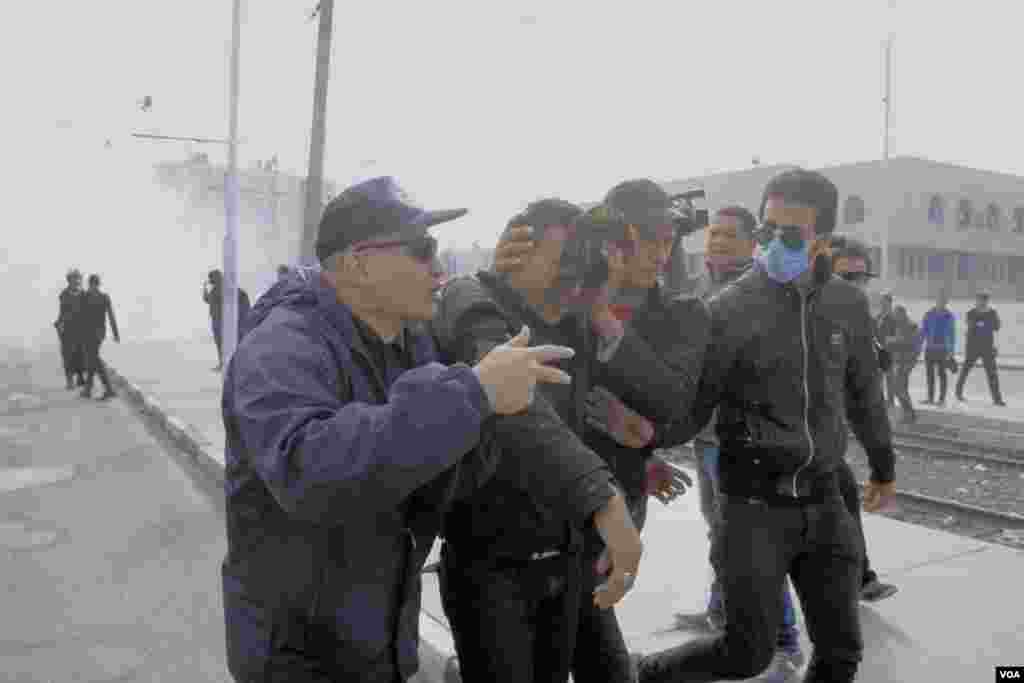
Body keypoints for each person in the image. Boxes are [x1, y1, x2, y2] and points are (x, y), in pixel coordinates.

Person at [219, 175, 578, 683]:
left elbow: (437, 473)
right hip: (299, 654)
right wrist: (472, 395)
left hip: (378, 639)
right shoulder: (281, 348)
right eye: (421, 249)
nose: (438, 266)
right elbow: (310, 472)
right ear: (359, 262)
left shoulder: (409, 344)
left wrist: (491, 411)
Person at [637, 169, 897, 683]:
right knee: (746, 652)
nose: (775, 244)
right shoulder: (730, 308)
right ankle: (645, 673)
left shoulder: (848, 303)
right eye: (767, 230)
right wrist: (643, 445)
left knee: (841, 653)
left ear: (822, 238)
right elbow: (692, 405)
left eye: (791, 234)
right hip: (752, 506)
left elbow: (865, 395)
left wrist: (883, 468)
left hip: (825, 503)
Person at [435, 195, 683, 683]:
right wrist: (603, 500)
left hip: (568, 556)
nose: (575, 275)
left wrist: (637, 445)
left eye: (583, 262)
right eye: (564, 262)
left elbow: (666, 401)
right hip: (492, 566)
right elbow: (521, 414)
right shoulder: (476, 307)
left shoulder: (576, 323)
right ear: (518, 252)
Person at [488, 180, 711, 683]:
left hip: (614, 513)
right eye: (641, 239)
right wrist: (501, 280)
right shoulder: (561, 299)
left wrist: (644, 433)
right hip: (534, 519)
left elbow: (678, 403)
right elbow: (510, 376)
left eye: (665, 239)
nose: (656, 252)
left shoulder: (682, 312)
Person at [820, 235, 901, 603]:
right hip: (774, 447)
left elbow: (866, 399)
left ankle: (860, 577)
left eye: (860, 278)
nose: (854, 286)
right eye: (845, 277)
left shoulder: (857, 319)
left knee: (844, 502)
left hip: (823, 443)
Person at [955, 291, 1005, 406]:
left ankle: (997, 399)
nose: (981, 302)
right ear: (976, 301)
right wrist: (985, 324)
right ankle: (958, 392)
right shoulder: (971, 313)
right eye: (979, 300)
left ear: (987, 301)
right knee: (965, 371)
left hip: (987, 348)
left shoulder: (992, 313)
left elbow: (997, 327)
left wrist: (982, 324)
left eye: (984, 300)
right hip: (972, 347)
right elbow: (971, 325)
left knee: (992, 374)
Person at [78, 274, 120, 400]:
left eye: (94, 285)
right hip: (90, 333)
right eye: (92, 285)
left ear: (95, 285)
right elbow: (78, 315)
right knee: (92, 359)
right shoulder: (88, 296)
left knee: (94, 359)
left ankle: (108, 389)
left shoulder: (90, 296)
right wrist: (115, 333)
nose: (93, 287)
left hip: (95, 334)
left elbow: (111, 316)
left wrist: (116, 333)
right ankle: (88, 389)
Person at [203, 269, 252, 372]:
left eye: (211, 278)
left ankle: (228, 364)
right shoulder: (215, 289)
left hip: (222, 322)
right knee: (220, 343)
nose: (210, 280)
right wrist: (204, 289)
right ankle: (224, 364)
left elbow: (239, 297)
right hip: (217, 321)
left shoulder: (224, 289)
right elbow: (207, 300)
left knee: (223, 343)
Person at [920, 291, 956, 406]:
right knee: (930, 375)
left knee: (942, 375)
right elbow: (923, 332)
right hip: (930, 348)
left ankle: (941, 399)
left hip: (943, 349)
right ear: (936, 301)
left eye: (944, 301)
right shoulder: (928, 314)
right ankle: (930, 398)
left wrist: (951, 352)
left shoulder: (949, 316)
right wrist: (917, 346)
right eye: (940, 300)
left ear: (946, 302)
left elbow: (952, 335)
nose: (942, 302)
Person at [888, 305, 922, 421]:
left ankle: (910, 413)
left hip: (906, 361)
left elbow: (910, 343)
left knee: (899, 388)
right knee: (901, 388)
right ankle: (908, 413)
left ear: (902, 314)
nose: (894, 317)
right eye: (894, 315)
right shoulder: (900, 324)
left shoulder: (910, 325)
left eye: (896, 314)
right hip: (901, 361)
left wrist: (892, 340)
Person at [55, 268, 86, 389]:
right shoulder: (64, 295)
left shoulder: (84, 294)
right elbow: (62, 312)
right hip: (68, 328)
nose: (77, 281)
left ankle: (80, 377)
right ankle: (69, 380)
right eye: (74, 279)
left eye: (78, 279)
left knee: (81, 354)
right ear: (69, 281)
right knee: (67, 354)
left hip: (81, 328)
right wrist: (60, 324)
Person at [875, 293, 898, 406]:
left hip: (889, 352)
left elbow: (898, 336)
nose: (883, 305)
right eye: (881, 303)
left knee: (889, 378)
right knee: (878, 378)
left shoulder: (894, 318)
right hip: (878, 352)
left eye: (885, 303)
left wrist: (891, 339)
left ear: (890, 304)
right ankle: (880, 400)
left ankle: (891, 401)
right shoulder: (877, 317)